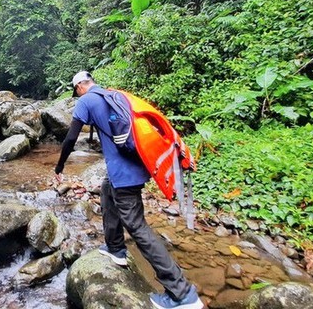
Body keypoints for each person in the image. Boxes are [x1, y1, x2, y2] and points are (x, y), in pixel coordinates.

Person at [54, 71, 204, 309]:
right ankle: (116, 250)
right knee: (106, 189)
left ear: (81, 86)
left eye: (76, 90)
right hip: (133, 166)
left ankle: (182, 293)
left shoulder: (86, 101)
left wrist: (59, 166)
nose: (77, 94)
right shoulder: (113, 95)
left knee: (137, 226)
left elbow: (71, 138)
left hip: (125, 175)